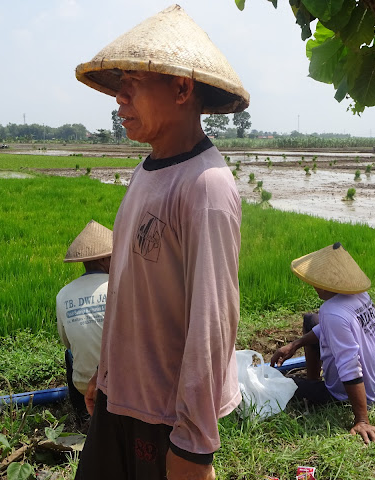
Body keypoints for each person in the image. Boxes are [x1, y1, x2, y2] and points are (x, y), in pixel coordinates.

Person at [73, 5, 248, 480]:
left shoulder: (205, 186)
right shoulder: (146, 172)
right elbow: (128, 288)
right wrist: (105, 373)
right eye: (119, 84)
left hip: (166, 418)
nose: (119, 97)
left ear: (182, 88)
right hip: (121, 397)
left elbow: (212, 323)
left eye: (134, 81)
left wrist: (193, 446)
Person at [270, 242, 375, 445]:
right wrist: (295, 344)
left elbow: (350, 367)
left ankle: (317, 391)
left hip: (357, 393)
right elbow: (323, 328)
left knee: (279, 384)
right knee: (311, 320)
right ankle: (313, 380)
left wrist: (362, 419)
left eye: (319, 281)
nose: (315, 285)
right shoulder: (359, 294)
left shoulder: (333, 312)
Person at [56, 220, 112, 423]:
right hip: (121, 384)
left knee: (69, 354)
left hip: (83, 383)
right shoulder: (119, 287)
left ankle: (82, 415)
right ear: (105, 259)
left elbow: (67, 343)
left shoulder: (63, 294)